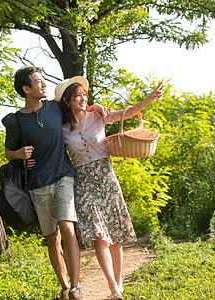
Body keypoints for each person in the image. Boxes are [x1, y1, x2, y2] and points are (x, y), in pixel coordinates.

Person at [2, 67, 106, 300]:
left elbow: (78, 108)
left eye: (43, 80)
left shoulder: (55, 108)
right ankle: (65, 286)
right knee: (52, 237)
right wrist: (19, 154)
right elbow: (8, 152)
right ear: (26, 89)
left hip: (63, 175)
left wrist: (95, 108)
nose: (44, 84)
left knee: (68, 228)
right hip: (38, 182)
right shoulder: (16, 121)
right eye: (38, 82)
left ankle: (76, 287)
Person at [54, 76, 163, 300]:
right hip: (83, 183)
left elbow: (129, 112)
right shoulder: (61, 129)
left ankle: (118, 285)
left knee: (114, 232)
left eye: (85, 95)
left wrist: (149, 99)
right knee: (98, 235)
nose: (83, 98)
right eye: (78, 95)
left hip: (106, 178)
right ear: (67, 101)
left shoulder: (98, 115)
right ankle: (113, 286)